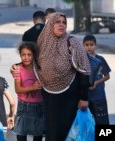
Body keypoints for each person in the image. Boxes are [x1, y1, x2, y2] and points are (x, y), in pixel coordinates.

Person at [35, 12, 91, 141]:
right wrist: (15, 67)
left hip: (69, 96)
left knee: (68, 131)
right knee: (52, 130)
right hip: (49, 95)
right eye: (57, 22)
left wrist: (84, 98)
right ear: (50, 25)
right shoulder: (42, 44)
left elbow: (84, 71)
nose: (61, 25)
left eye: (64, 22)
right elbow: (31, 61)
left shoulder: (72, 43)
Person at [12, 42, 44, 141]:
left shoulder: (40, 69)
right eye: (23, 55)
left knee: (38, 135)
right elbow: (18, 89)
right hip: (23, 106)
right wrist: (33, 87)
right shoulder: (18, 69)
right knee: (21, 135)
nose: (26, 57)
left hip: (39, 106)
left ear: (34, 55)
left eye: (29, 55)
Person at [83, 34, 111, 125]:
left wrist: (96, 82)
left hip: (99, 96)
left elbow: (107, 76)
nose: (89, 47)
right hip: (86, 98)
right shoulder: (81, 61)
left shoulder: (100, 59)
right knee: (87, 124)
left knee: (102, 122)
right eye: (86, 45)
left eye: (91, 45)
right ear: (83, 46)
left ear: (95, 46)